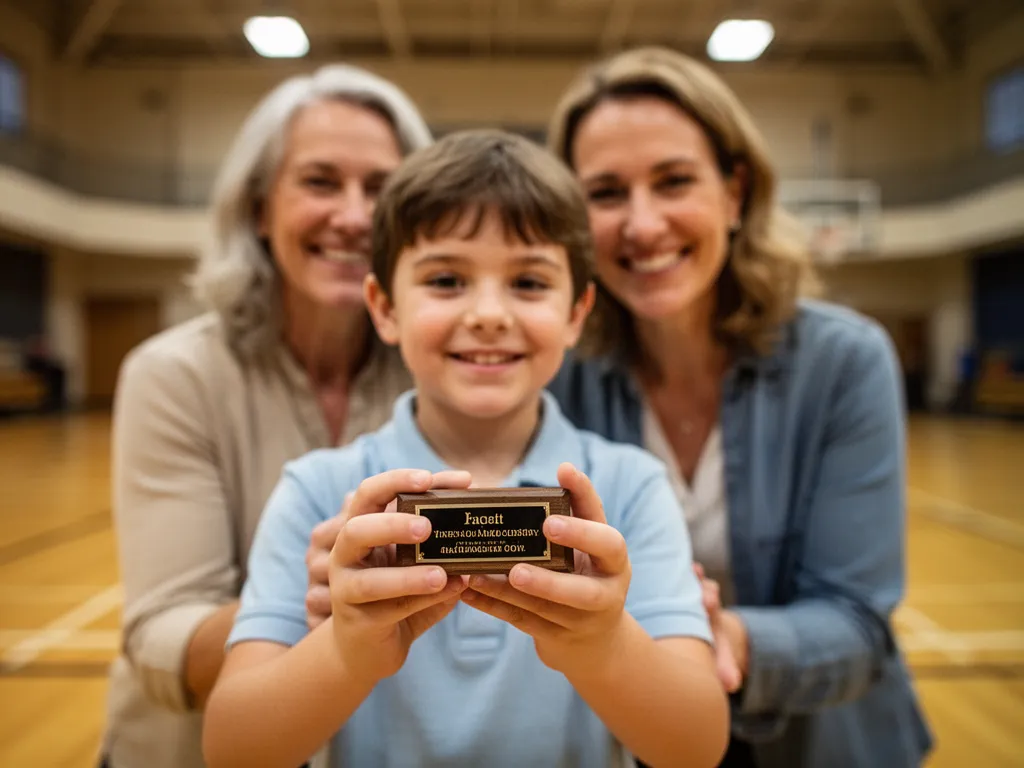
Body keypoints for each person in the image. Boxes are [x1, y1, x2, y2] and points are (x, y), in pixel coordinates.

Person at [202, 129, 729, 768]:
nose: (487, 313)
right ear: (384, 306)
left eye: (529, 283)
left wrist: (605, 645)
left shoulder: (629, 488)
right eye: (447, 279)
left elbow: (697, 747)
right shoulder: (318, 492)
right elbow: (232, 750)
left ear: (576, 313)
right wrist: (346, 649)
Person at [543, 47, 934, 766]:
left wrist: (726, 638)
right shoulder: (559, 376)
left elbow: (857, 622)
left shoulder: (843, 361)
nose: (642, 223)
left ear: (733, 192)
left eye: (674, 181)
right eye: (605, 192)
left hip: (821, 739)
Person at [98, 64, 435, 768]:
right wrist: (317, 607)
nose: (352, 214)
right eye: (320, 181)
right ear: (259, 208)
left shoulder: (439, 366)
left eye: (379, 188)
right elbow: (162, 634)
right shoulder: (174, 375)